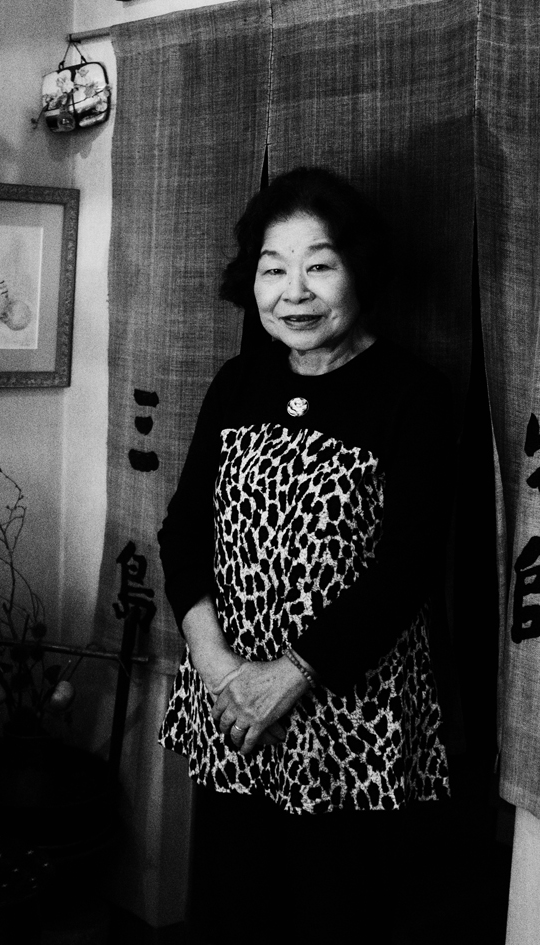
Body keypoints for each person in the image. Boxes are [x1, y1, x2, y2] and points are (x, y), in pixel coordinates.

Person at [157, 166, 455, 944]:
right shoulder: (237, 382)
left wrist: (285, 678)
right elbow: (182, 532)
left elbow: (410, 567)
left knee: (333, 914)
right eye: (272, 267)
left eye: (318, 265)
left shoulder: (411, 394)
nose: (293, 291)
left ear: (360, 271)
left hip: (345, 712)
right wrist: (221, 668)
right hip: (230, 706)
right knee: (232, 907)